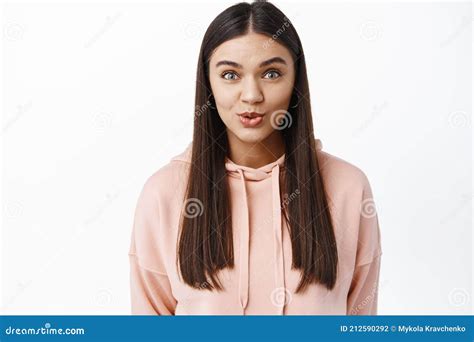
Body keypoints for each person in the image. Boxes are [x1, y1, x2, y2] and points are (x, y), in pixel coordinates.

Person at [128, 0, 382, 315]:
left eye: (272, 73)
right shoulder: (163, 194)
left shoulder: (348, 188)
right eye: (230, 75)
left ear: (296, 81)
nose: (251, 95)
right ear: (208, 83)